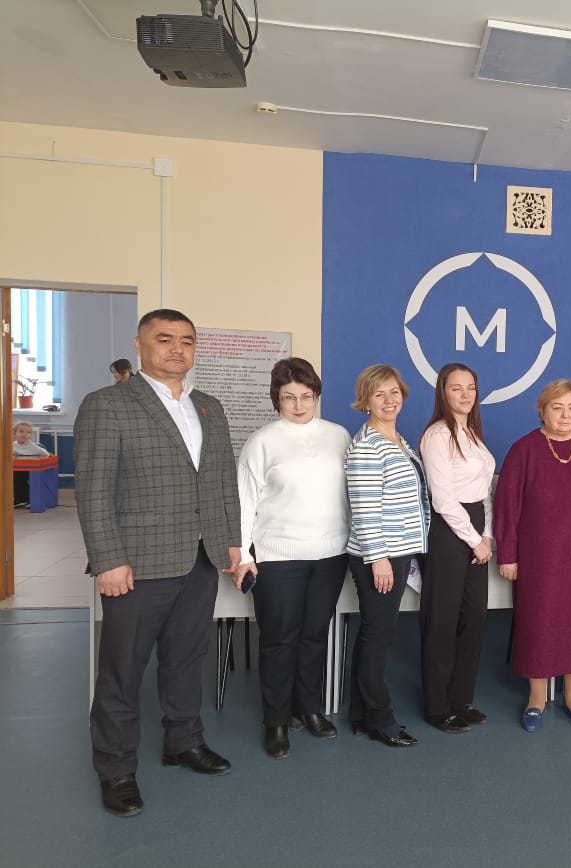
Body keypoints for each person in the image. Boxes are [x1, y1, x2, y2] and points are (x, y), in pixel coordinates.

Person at [75, 308, 241, 818]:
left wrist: (232, 542)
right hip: (137, 563)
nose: (177, 349)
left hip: (201, 558)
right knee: (122, 670)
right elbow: (94, 490)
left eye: (186, 341)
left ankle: (183, 741)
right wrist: (108, 558)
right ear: (140, 344)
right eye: (164, 339)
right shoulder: (108, 404)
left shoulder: (209, 406)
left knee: (187, 658)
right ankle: (116, 768)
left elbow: (222, 482)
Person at [235, 357, 352, 759]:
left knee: (315, 636)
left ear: (317, 395)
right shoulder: (262, 442)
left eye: (306, 396)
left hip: (331, 554)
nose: (299, 405)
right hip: (277, 557)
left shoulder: (338, 436)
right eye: (289, 397)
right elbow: (245, 502)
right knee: (279, 640)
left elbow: (351, 494)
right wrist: (244, 555)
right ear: (277, 399)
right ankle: (277, 720)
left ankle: (309, 708)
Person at [494, 380, 571, 732]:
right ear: (542, 411)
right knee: (539, 621)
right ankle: (536, 698)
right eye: (557, 408)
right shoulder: (524, 450)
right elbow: (506, 508)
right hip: (539, 559)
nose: (565, 415)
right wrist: (508, 555)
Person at [345, 364, 429, 749]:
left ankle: (362, 713)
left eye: (394, 392)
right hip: (380, 555)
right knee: (379, 636)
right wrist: (378, 558)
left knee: (375, 633)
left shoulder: (397, 440)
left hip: (397, 551)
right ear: (366, 401)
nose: (389, 400)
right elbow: (364, 508)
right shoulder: (367, 446)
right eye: (379, 394)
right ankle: (381, 719)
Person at [418, 363, 495, 735]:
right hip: (450, 531)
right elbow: (443, 499)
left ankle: (460, 699)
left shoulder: (473, 434)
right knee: (443, 619)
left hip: (477, 527)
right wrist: (474, 539)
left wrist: (487, 535)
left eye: (471, 388)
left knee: (474, 617)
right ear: (442, 393)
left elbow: (484, 492)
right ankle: (437, 706)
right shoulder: (437, 435)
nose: (465, 395)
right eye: (456, 388)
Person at [12, 421, 50, 508]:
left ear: (30, 435)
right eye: (21, 431)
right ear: (15, 433)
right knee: (15, 480)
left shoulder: (33, 446)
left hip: (33, 469)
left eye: (28, 432)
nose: (24, 434)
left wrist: (36, 458)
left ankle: (30, 500)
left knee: (28, 481)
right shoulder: (13, 445)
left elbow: (46, 454)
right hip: (19, 468)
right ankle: (19, 500)